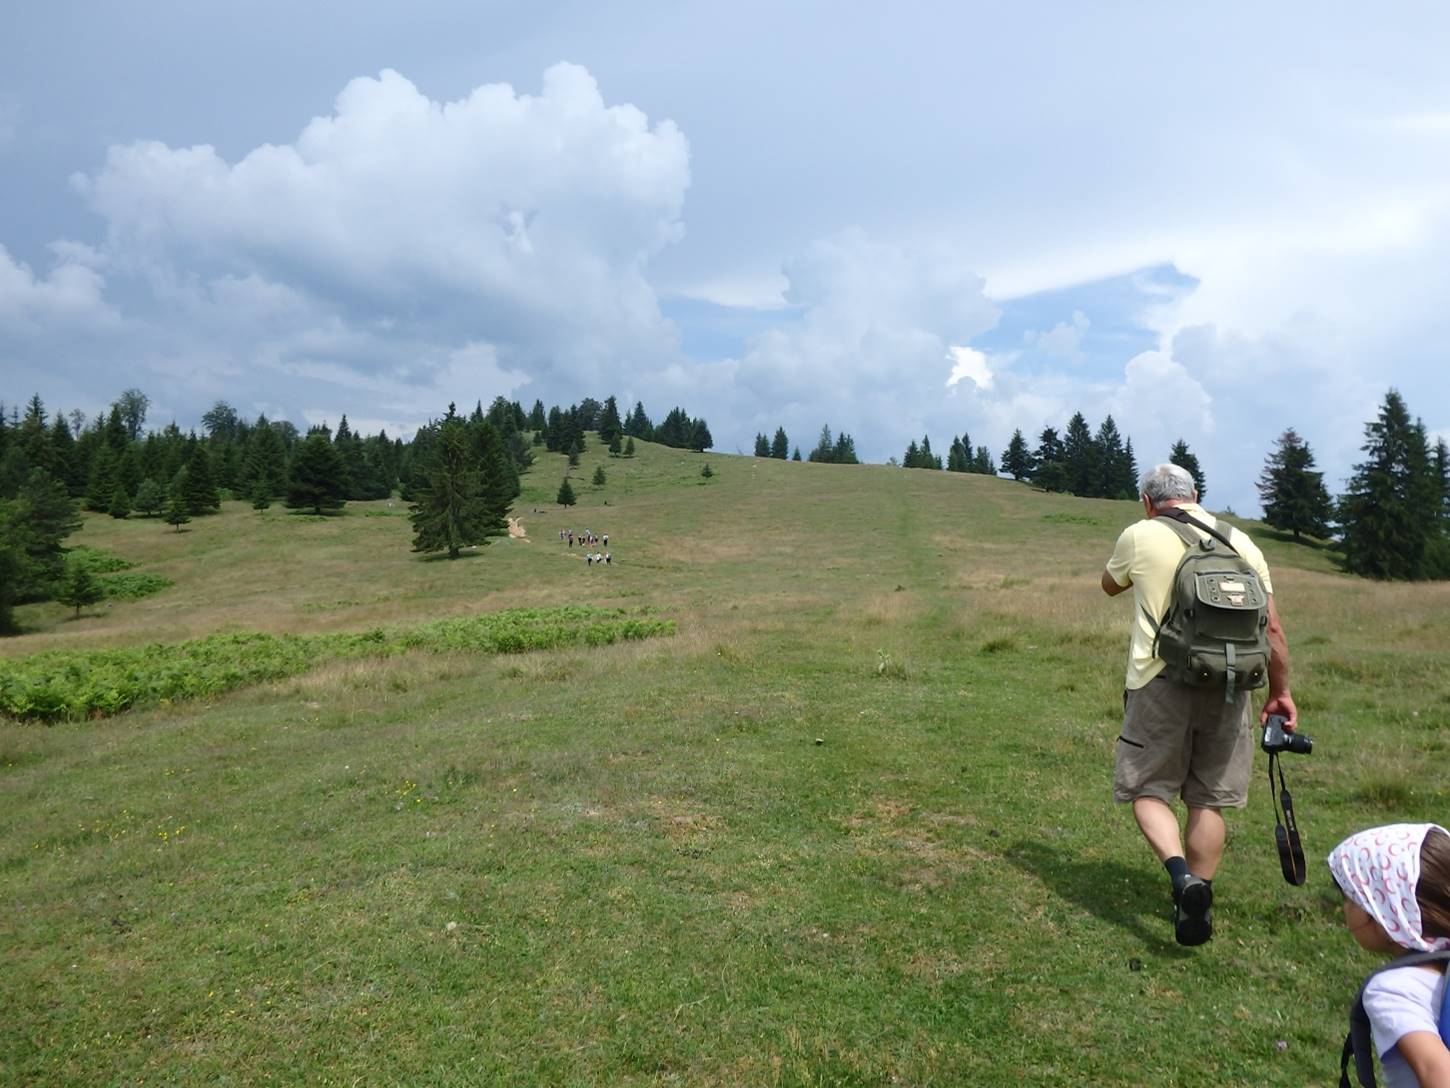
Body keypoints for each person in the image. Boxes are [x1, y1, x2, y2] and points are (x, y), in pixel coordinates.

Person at [1100, 462, 1296, 945]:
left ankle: (1181, 878)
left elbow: (1110, 584)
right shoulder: (1242, 542)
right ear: (1196, 494)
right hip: (1230, 685)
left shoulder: (1140, 534)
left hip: (1159, 682)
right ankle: (1199, 900)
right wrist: (1281, 693)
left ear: (1148, 502)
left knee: (1148, 790)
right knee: (1208, 800)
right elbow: (1272, 629)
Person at [1330, 824, 1450, 1087]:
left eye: (1352, 899)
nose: (1344, 909)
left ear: (1385, 913)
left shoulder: (1392, 990)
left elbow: (1436, 1072)